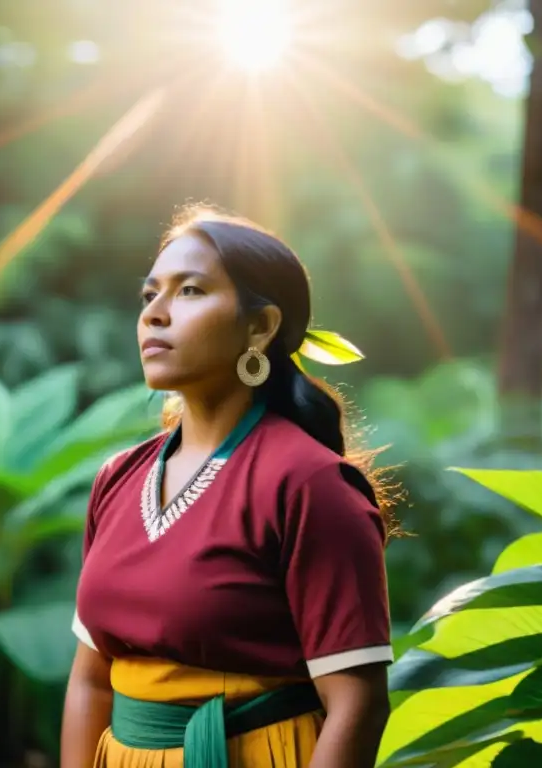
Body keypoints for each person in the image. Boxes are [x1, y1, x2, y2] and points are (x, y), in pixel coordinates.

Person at [60, 207, 394, 768]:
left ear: (260, 327)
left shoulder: (311, 486)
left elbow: (357, 704)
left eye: (189, 291)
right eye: (149, 296)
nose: (155, 315)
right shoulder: (118, 479)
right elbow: (90, 684)